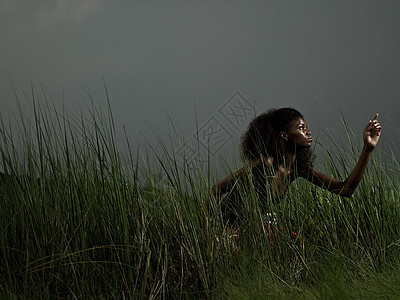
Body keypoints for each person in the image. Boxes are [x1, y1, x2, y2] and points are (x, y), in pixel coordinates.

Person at [211, 108, 382, 225]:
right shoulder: (265, 164)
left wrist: (367, 149)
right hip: (231, 228)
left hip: (256, 231)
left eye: (307, 127)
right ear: (284, 136)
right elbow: (217, 190)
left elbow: (345, 190)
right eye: (301, 128)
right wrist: (209, 226)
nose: (308, 131)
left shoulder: (299, 169)